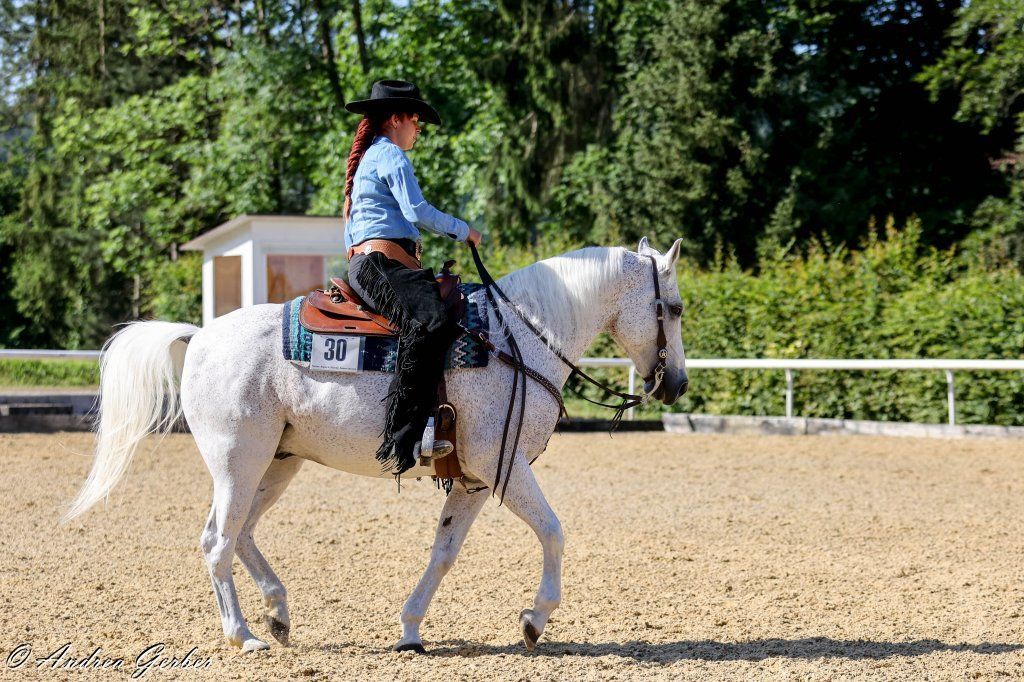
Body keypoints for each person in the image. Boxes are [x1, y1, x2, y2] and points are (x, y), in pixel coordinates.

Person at [342, 79, 483, 476]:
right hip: (382, 263)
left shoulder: (371, 157)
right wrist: (464, 229)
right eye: (416, 120)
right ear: (396, 118)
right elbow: (417, 209)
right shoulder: (389, 155)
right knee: (429, 322)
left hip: (378, 262)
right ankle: (407, 433)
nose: (418, 129)